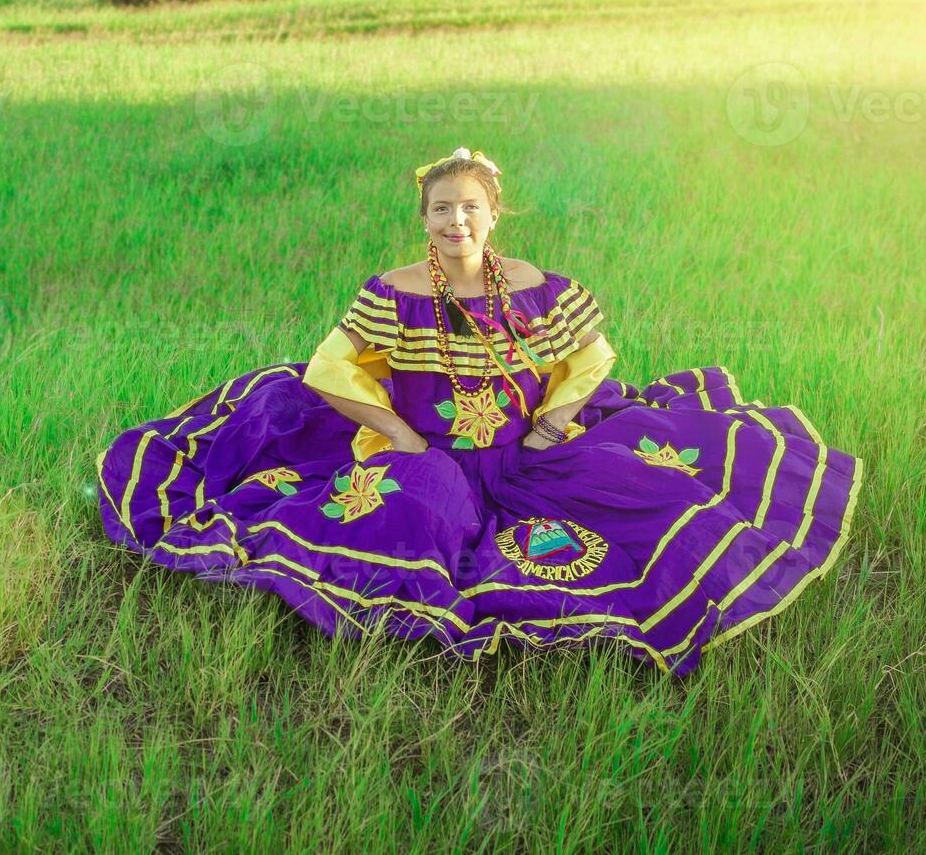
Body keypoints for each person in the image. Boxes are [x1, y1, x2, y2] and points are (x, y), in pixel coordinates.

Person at [95, 147, 864, 677]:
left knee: (650, 495)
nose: (454, 222)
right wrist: (394, 432)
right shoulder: (394, 290)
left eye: (469, 208)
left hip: (527, 448)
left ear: (494, 214)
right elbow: (328, 366)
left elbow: (594, 358)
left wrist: (553, 421)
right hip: (420, 445)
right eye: (440, 210)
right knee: (408, 517)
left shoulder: (536, 285)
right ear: (424, 217)